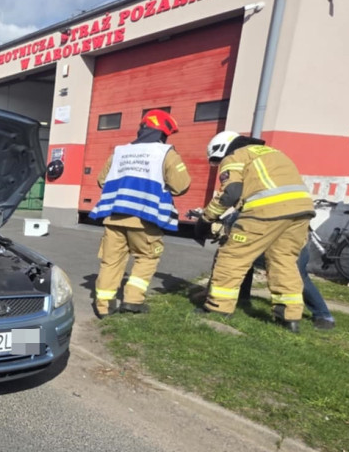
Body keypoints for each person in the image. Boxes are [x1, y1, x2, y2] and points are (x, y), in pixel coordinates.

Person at [195, 131, 314, 331]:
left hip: (266, 210)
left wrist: (206, 218)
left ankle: (218, 308)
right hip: (300, 211)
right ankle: (289, 316)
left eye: (217, 160)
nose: (219, 164)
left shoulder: (236, 156)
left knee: (233, 257)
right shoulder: (273, 152)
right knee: (283, 260)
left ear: (222, 148)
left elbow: (231, 192)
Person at [88, 109, 191, 317]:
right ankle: (132, 301)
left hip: (114, 216)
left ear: (142, 128)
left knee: (111, 260)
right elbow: (181, 186)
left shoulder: (119, 152)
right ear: (164, 133)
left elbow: (101, 180)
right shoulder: (166, 153)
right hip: (146, 218)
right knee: (146, 257)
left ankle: (104, 306)